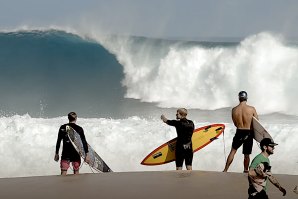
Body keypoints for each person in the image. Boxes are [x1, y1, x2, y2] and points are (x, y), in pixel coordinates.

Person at [223, 91, 258, 173]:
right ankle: (246, 170)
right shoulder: (252, 109)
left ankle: (225, 170)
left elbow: (235, 123)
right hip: (248, 132)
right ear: (246, 98)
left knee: (233, 151)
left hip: (239, 131)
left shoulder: (234, 110)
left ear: (239, 98)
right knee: (246, 155)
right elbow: (257, 122)